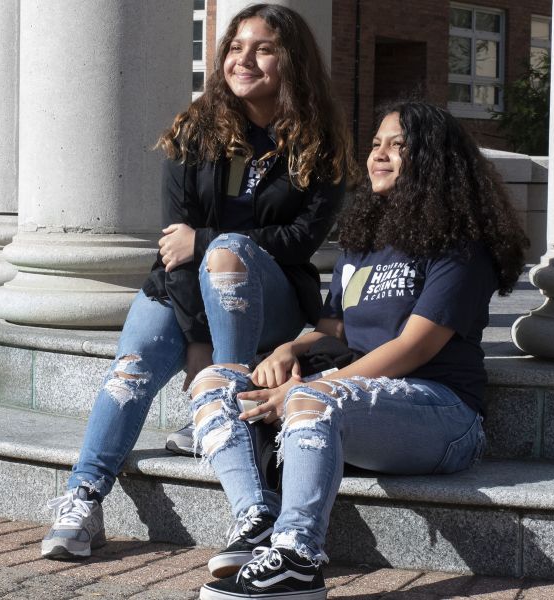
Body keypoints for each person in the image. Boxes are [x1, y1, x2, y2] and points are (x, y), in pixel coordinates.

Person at [40, 4, 356, 560]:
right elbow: (172, 250)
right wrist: (198, 343)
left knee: (228, 250)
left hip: (272, 295)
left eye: (262, 48)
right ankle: (83, 498)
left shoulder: (320, 143)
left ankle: (220, 408)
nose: (244, 59)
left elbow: (301, 240)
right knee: (130, 371)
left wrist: (210, 243)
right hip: (182, 290)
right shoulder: (194, 131)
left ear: (292, 62)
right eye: (235, 47)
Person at [190, 100, 529, 599]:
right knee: (216, 381)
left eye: (398, 146)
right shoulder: (364, 241)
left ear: (435, 161)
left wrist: (311, 389)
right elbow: (337, 331)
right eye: (375, 145)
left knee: (310, 399)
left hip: (441, 411)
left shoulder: (460, 245)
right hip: (357, 401)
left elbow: (414, 347)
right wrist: (291, 347)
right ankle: (256, 521)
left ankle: (297, 560)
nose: (379, 155)